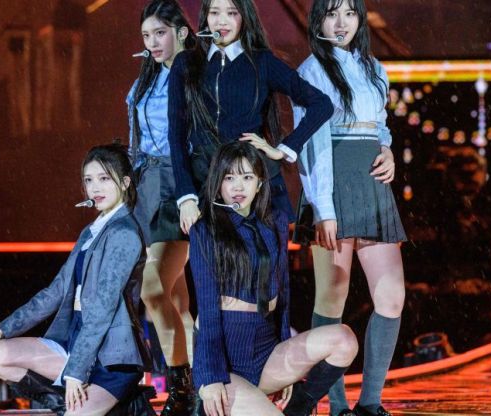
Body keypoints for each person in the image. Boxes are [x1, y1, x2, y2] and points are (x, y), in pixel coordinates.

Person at [0, 144, 151, 416]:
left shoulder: (124, 233)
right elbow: (55, 292)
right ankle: (70, 406)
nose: (95, 188)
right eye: (89, 180)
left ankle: (120, 402)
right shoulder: (90, 232)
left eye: (104, 178)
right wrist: (2, 330)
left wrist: (76, 372)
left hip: (110, 357)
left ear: (125, 183)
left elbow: (102, 311)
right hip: (74, 343)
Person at [294, 1, 407, 415]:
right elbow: (309, 145)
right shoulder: (310, 71)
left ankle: (370, 403)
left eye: (349, 13)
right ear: (318, 21)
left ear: (360, 18)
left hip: (372, 183)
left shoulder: (375, 68)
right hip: (331, 185)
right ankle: (336, 404)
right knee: (332, 298)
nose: (341, 22)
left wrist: (387, 151)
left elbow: (380, 125)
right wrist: (323, 208)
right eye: (331, 13)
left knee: (391, 296)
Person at [190, 142, 358, 416]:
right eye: (229, 178)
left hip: (267, 353)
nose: (238, 186)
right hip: (225, 364)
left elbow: (283, 295)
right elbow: (207, 310)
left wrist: (287, 367)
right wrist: (210, 377)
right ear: (218, 183)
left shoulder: (275, 222)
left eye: (247, 177)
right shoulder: (205, 230)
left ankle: (299, 407)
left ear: (259, 183)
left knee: (344, 339)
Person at [168, 0, 334, 235]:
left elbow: (322, 104)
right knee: (209, 258)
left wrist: (284, 149)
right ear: (205, 17)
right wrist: (186, 196)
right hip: (205, 183)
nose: (222, 21)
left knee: (263, 256)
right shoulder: (185, 63)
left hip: (255, 183)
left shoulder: (262, 62)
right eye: (214, 12)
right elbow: (176, 134)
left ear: (244, 17)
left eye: (232, 13)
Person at [126, 1, 197, 413]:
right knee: (176, 300)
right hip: (145, 187)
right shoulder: (148, 77)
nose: (152, 42)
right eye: (146, 35)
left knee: (153, 291)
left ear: (181, 32)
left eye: (160, 33)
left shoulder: (195, 75)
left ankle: (182, 388)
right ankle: (198, 386)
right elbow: (135, 139)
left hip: (179, 185)